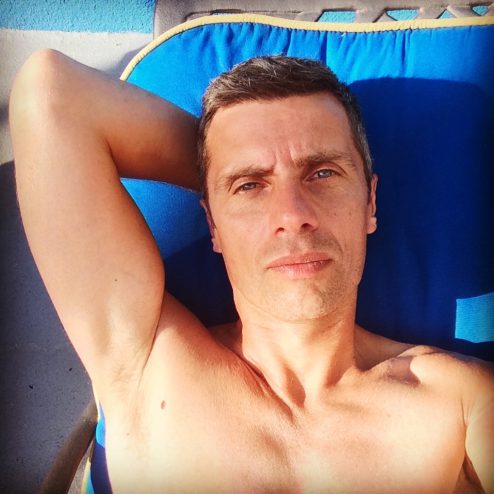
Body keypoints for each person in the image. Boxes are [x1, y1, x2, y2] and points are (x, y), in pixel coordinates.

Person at [10, 50, 493, 494]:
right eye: (250, 186)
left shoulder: (458, 404)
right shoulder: (146, 362)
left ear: (369, 201)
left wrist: (237, 176)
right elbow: (51, 92)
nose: (292, 215)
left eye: (322, 173)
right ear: (212, 224)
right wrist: (218, 163)